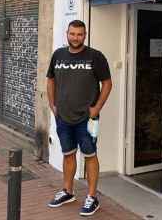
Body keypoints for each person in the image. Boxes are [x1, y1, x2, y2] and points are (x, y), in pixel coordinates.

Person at [46, 20, 112, 216]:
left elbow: (107, 83)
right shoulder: (58, 55)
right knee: (68, 154)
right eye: (72, 34)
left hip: (87, 118)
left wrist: (97, 107)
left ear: (85, 35)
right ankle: (68, 191)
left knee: (90, 155)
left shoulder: (95, 57)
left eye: (80, 34)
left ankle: (92, 197)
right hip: (63, 116)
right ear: (67, 33)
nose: (76, 38)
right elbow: (50, 79)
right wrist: (52, 104)